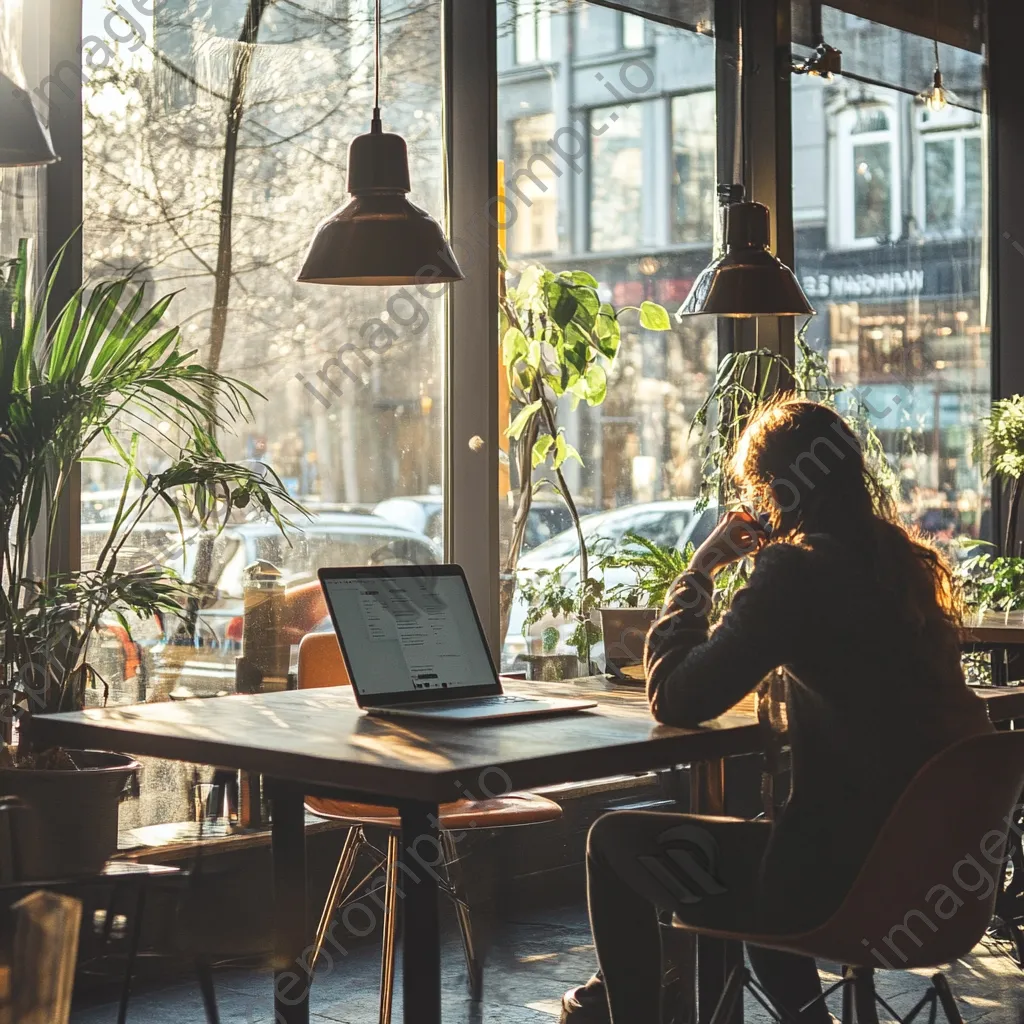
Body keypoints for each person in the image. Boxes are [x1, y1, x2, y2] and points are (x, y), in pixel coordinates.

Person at [561, 397, 993, 1024]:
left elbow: (679, 696)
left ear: (773, 491)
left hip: (845, 884)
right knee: (771, 843)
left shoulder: (799, 570)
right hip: (940, 879)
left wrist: (702, 567)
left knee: (613, 841)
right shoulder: (904, 564)